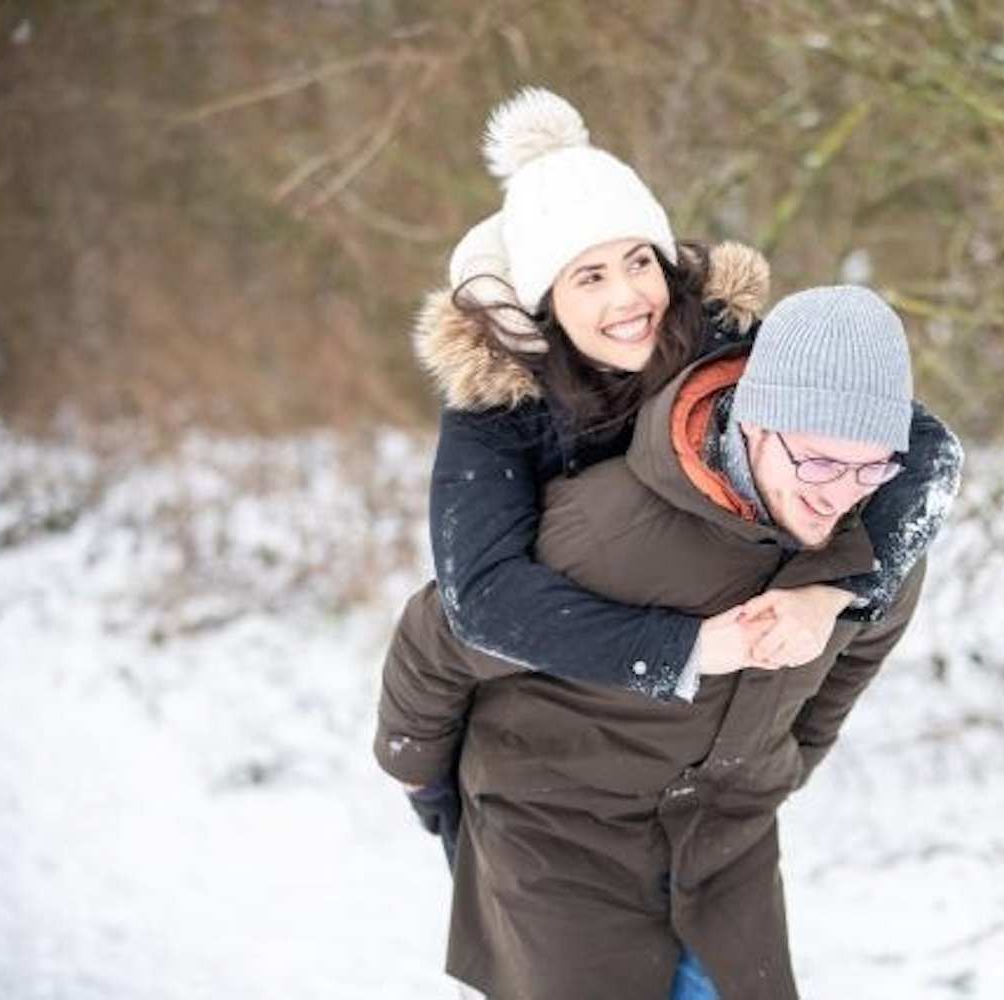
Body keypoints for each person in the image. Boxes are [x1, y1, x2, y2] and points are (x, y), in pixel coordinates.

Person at [398, 87, 962, 858]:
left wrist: (832, 591)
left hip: (702, 744)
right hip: (552, 720)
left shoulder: (723, 343)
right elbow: (479, 600)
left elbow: (926, 449)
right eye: (589, 277)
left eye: (639, 261)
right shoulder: (497, 409)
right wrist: (688, 649)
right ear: (546, 302)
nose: (630, 297)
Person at [377, 283, 947, 1000]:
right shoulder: (611, 530)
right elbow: (440, 634)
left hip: (724, 850)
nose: (840, 493)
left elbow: (851, 666)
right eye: (819, 461)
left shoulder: (876, 550)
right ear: (754, 424)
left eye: (872, 467)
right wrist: (415, 764)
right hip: (561, 842)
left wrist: (780, 764)